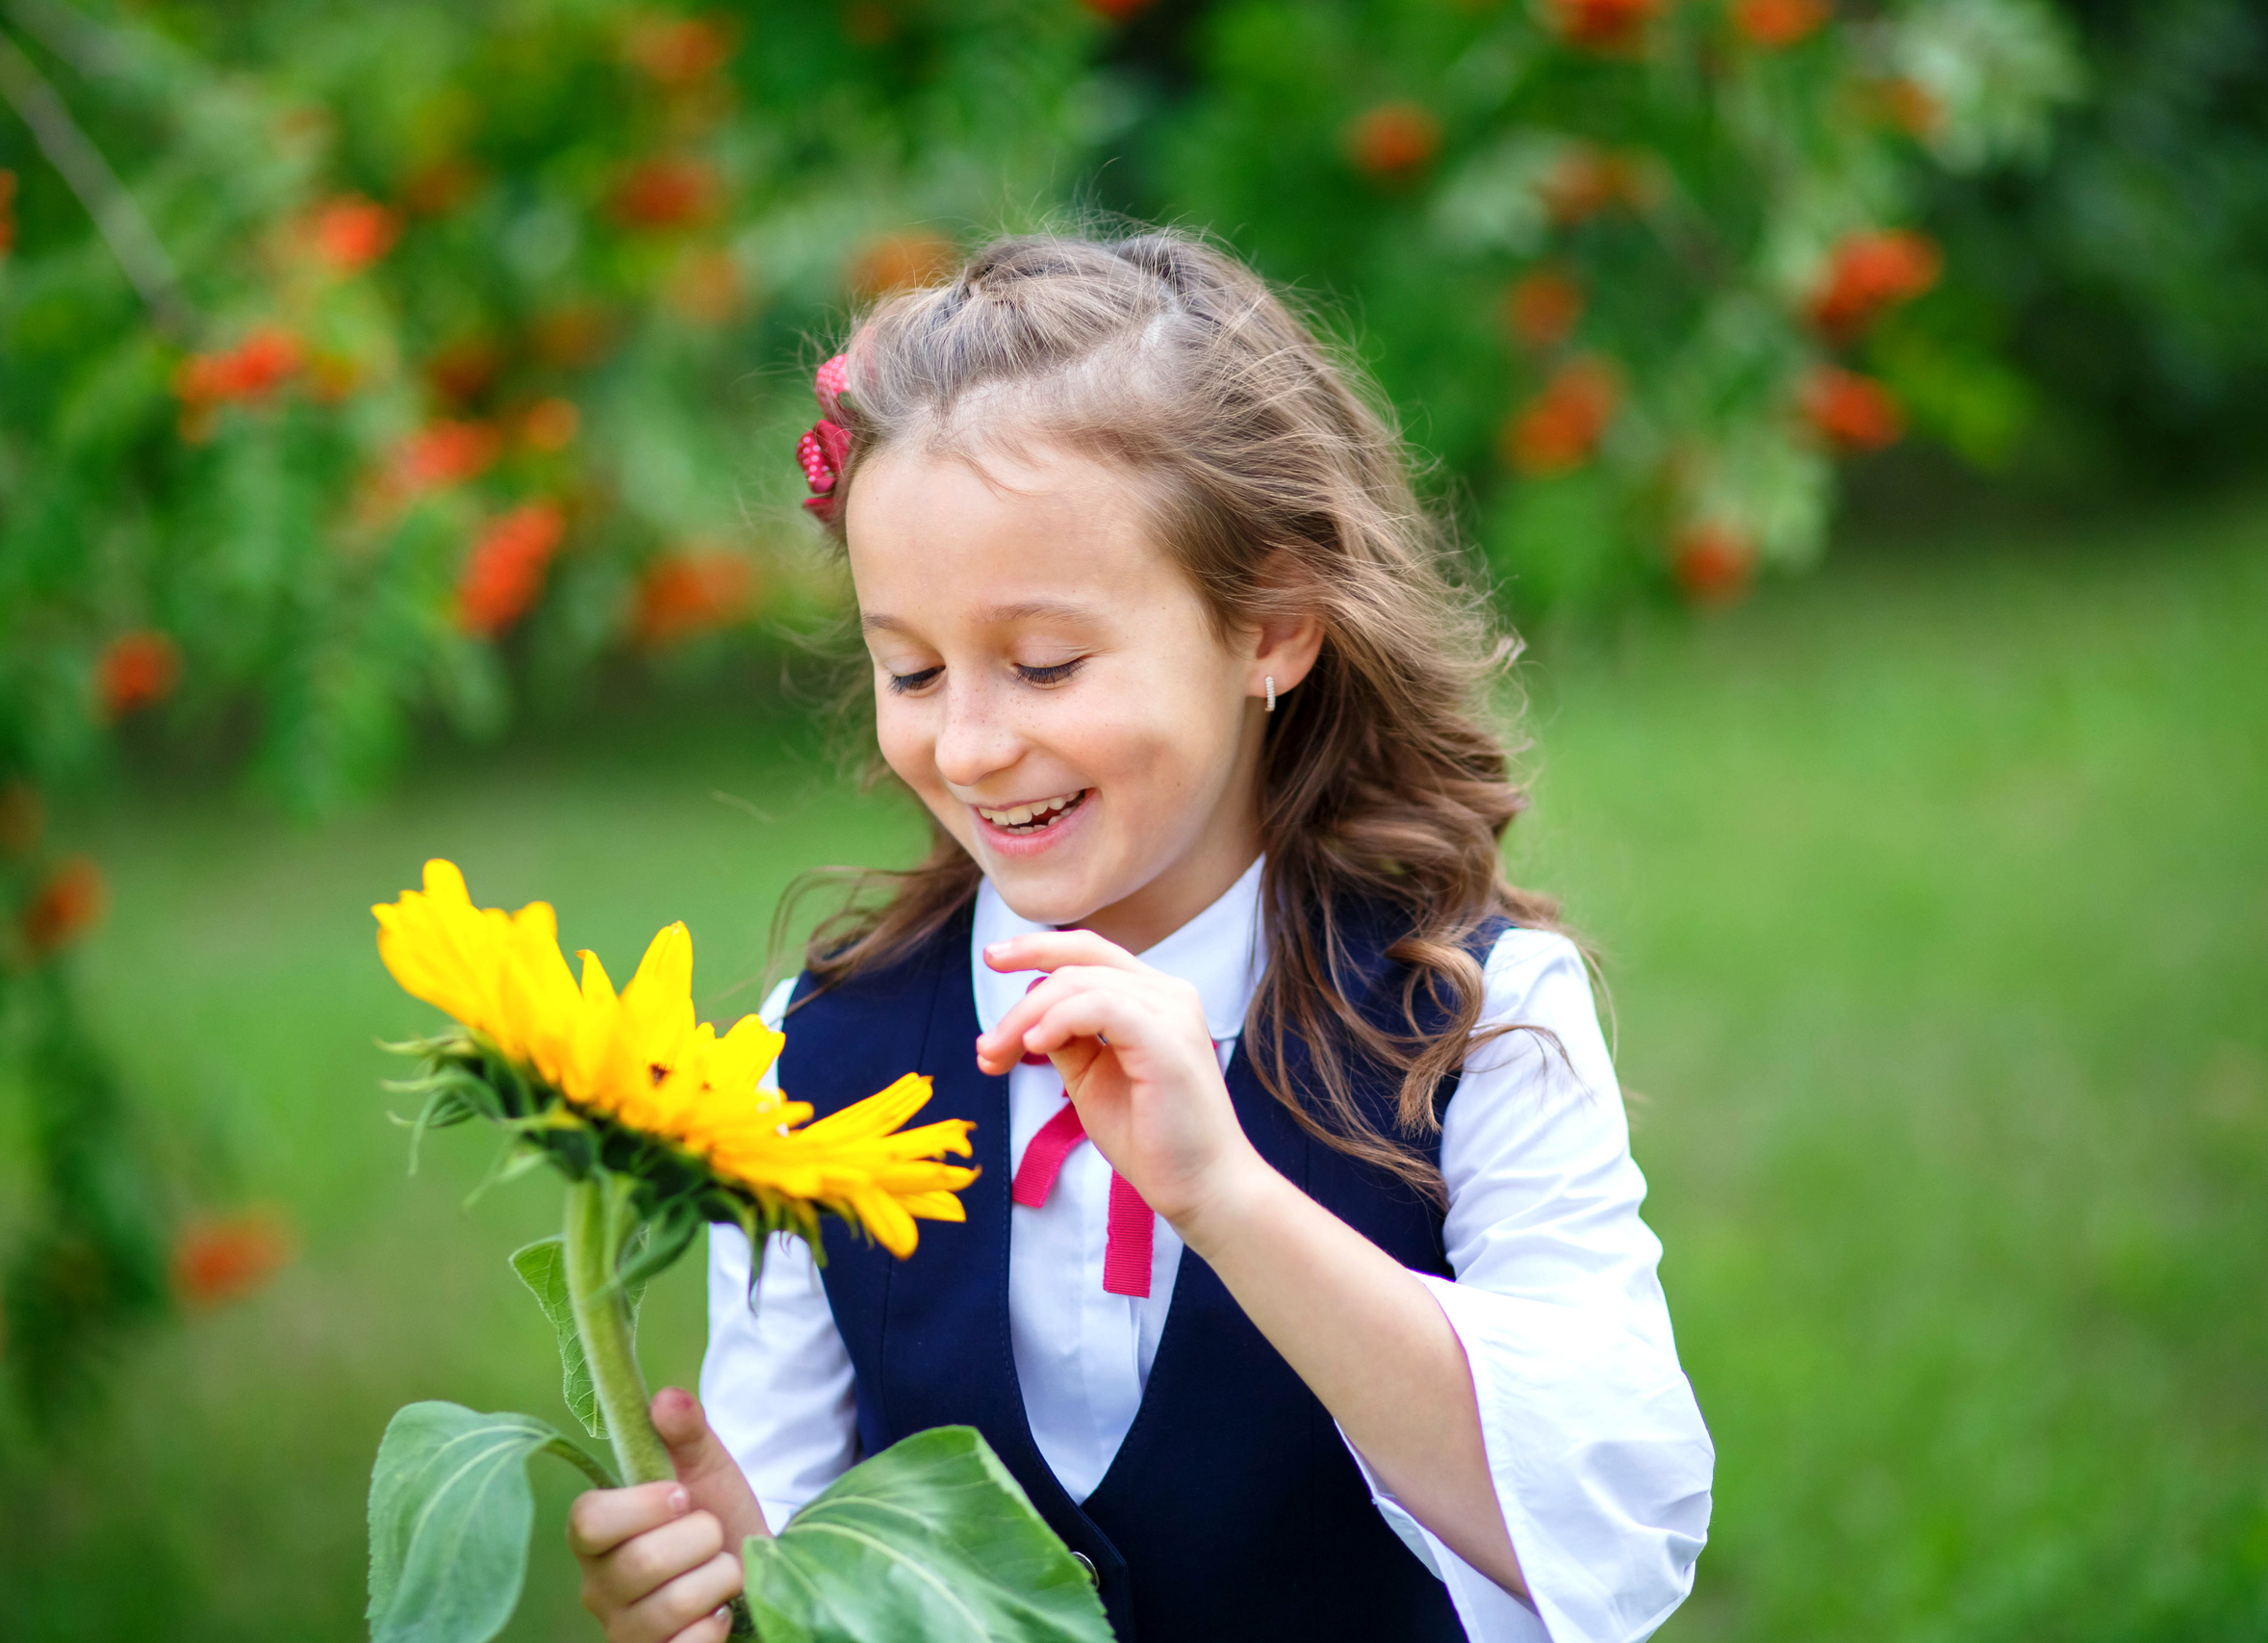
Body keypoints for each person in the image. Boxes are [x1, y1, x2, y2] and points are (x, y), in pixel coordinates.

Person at [566, 230, 1713, 1643]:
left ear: (1273, 626)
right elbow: (797, 1545)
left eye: (1045, 664)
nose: (974, 744)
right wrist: (744, 1600)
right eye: (910, 669)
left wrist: (1224, 1196)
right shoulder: (810, 1063)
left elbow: (1614, 1535)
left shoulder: (1477, 1018)